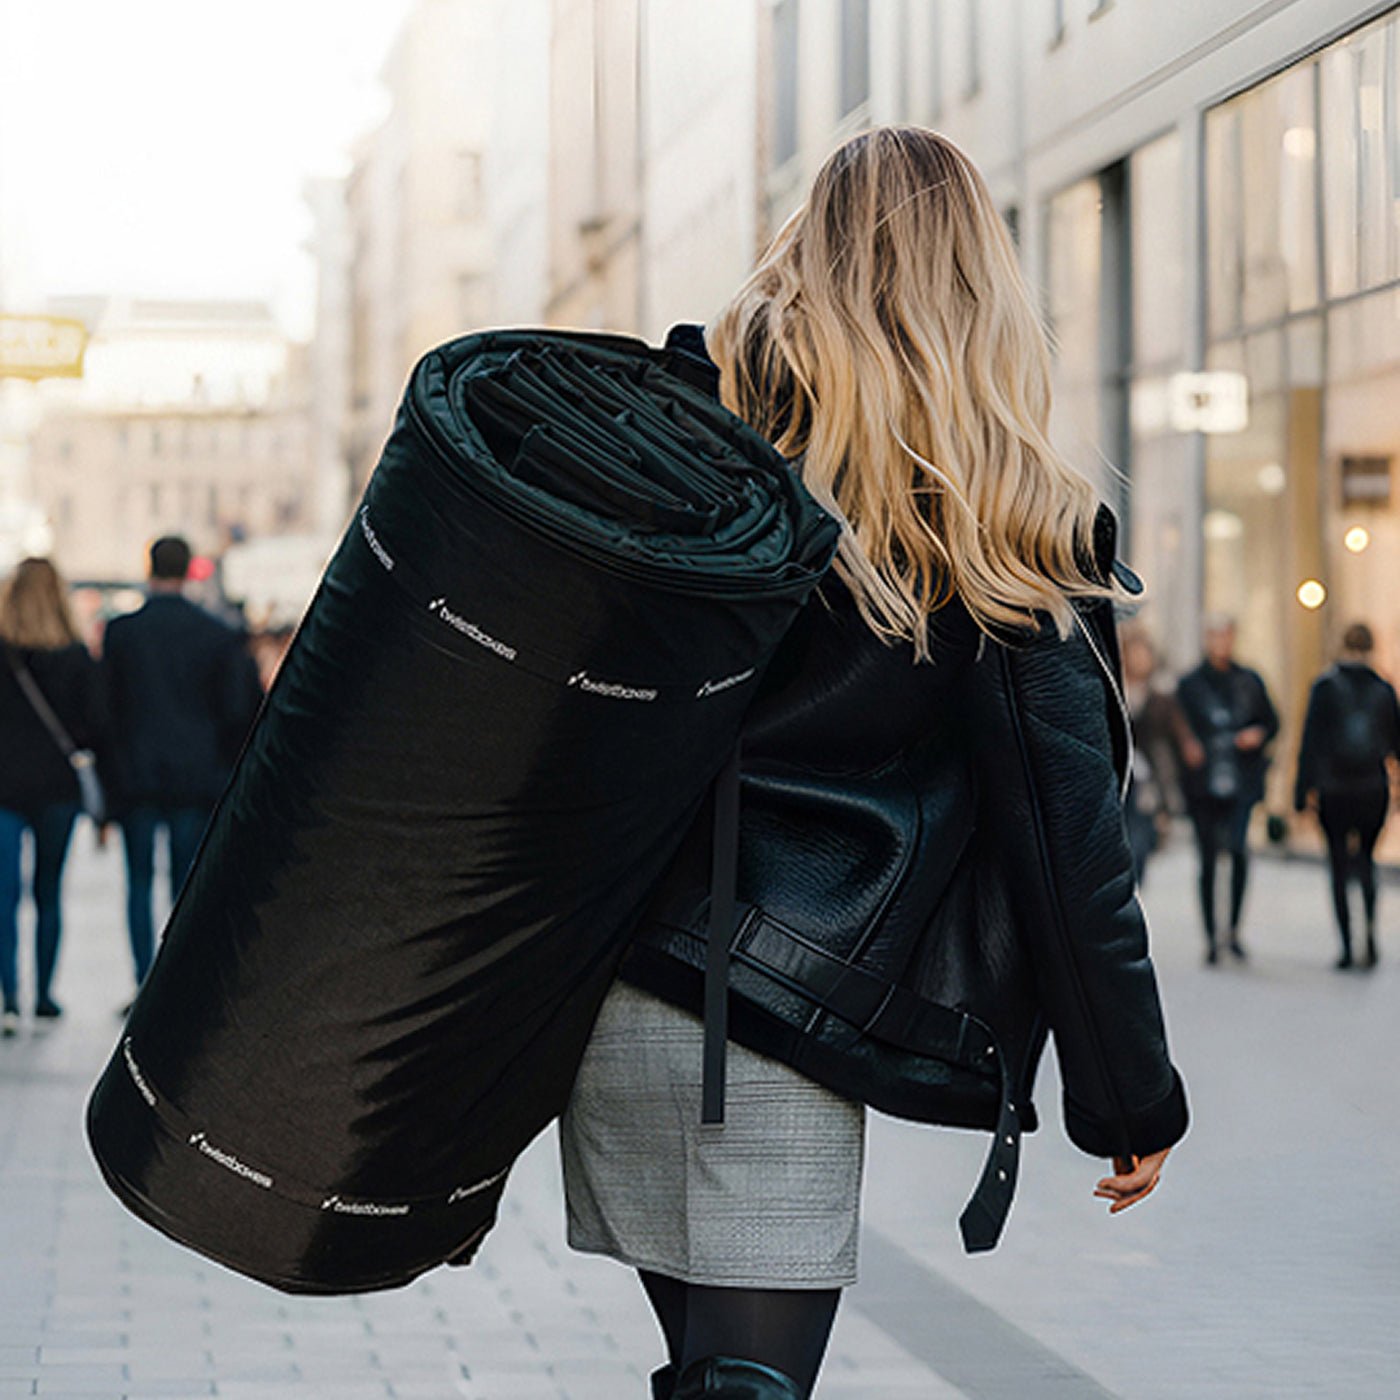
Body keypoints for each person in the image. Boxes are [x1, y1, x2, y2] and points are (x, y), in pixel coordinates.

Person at [557, 128, 1188, 1400]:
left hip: (613, 998)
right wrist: (1127, 1098)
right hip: (765, 1031)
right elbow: (1069, 838)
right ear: (982, 286)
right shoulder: (998, 515)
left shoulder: (696, 444)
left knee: (709, 1378)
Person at [101, 536, 261, 991]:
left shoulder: (122, 633)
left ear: (150, 567)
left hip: (136, 776)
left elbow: (107, 712)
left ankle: (142, 979)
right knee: (185, 884)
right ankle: (177, 981)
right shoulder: (216, 634)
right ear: (190, 568)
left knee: (137, 881)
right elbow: (236, 710)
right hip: (197, 774)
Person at [0, 558, 104, 1034]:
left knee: (4, 897)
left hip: (3, 789)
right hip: (57, 790)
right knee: (48, 893)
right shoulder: (76, 656)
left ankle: (8, 998)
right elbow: (92, 727)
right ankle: (43, 996)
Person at [1295, 622, 1400, 970]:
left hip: (1334, 788)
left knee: (1339, 865)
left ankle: (1345, 944)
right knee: (1367, 861)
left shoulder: (1325, 687)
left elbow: (1310, 742)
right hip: (1372, 786)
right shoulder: (1383, 689)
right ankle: (1369, 934)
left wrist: (1301, 791)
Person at [1176, 614, 1278, 965]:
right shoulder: (1190, 684)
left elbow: (1271, 722)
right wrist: (1189, 746)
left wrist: (1257, 735)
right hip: (1202, 784)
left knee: (1237, 851)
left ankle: (1232, 930)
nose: (1220, 642)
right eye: (1214, 635)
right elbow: (1176, 729)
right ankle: (1211, 936)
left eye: (1226, 635)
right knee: (1207, 858)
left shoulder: (1248, 681)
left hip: (1241, 782)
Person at [1121, 625, 1200, 889]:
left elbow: (1178, 732)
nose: (1141, 659)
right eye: (1135, 653)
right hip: (1119, 777)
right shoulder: (1114, 689)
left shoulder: (1160, 694)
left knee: (1140, 843)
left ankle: (1135, 889)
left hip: (1148, 782)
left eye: (1145, 653)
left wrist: (1189, 744)